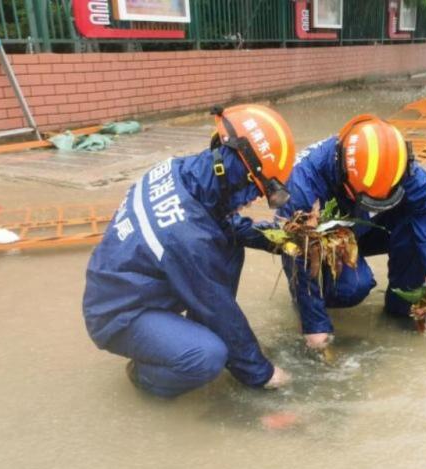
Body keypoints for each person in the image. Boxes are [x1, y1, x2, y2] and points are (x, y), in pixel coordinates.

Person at [82, 105, 295, 397]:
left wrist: (279, 239)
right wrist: (262, 373)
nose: (253, 200)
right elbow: (217, 305)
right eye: (256, 191)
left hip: (125, 281)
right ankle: (146, 376)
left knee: (229, 244)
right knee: (207, 356)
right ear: (241, 176)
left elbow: (222, 222)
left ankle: (182, 336)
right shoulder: (186, 236)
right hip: (119, 314)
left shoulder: (184, 170)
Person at [277, 114, 426, 349]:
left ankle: (401, 311)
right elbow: (298, 256)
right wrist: (314, 324)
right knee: (352, 288)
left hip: (367, 227)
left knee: (416, 230)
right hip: (329, 238)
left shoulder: (394, 163)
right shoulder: (302, 186)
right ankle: (312, 305)